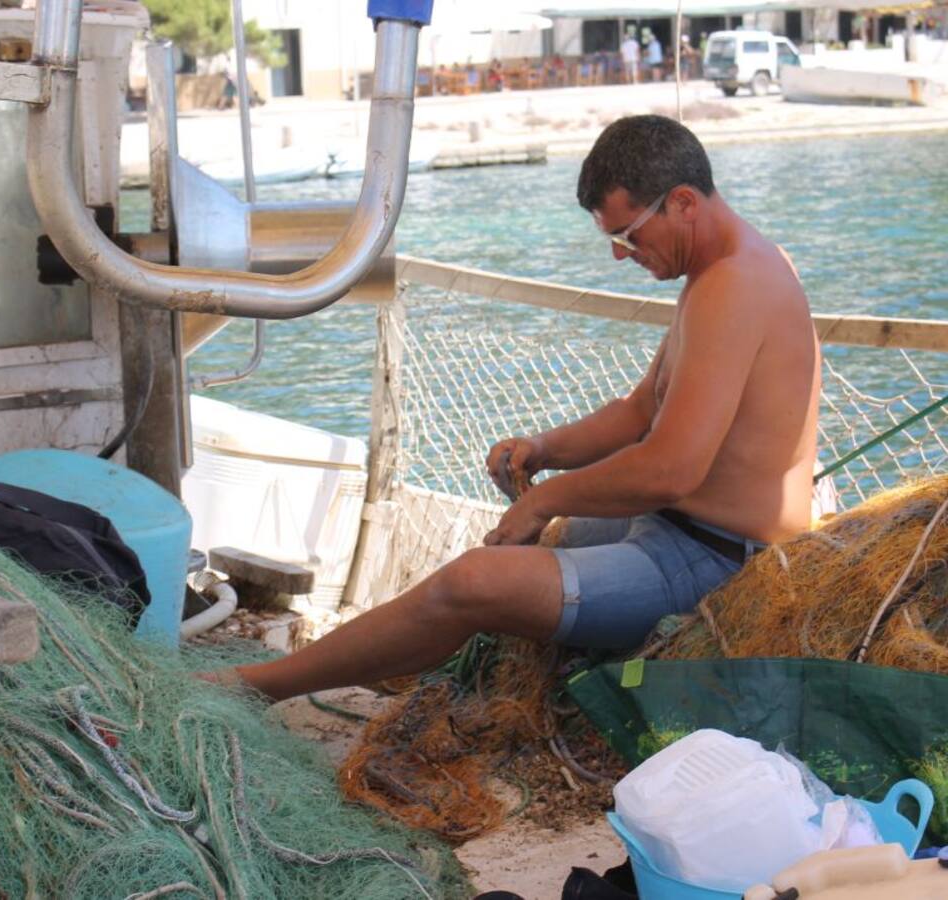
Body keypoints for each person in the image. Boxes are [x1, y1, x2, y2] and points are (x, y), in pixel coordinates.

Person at [200, 115, 821, 703]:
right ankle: (369, 665)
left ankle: (262, 686)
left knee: (473, 583)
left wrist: (543, 498)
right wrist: (543, 449)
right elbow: (639, 412)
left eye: (628, 235)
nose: (621, 255)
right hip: (670, 527)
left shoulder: (735, 288)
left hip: (714, 559)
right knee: (511, 553)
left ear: (683, 202)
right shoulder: (717, 273)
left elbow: (669, 470)